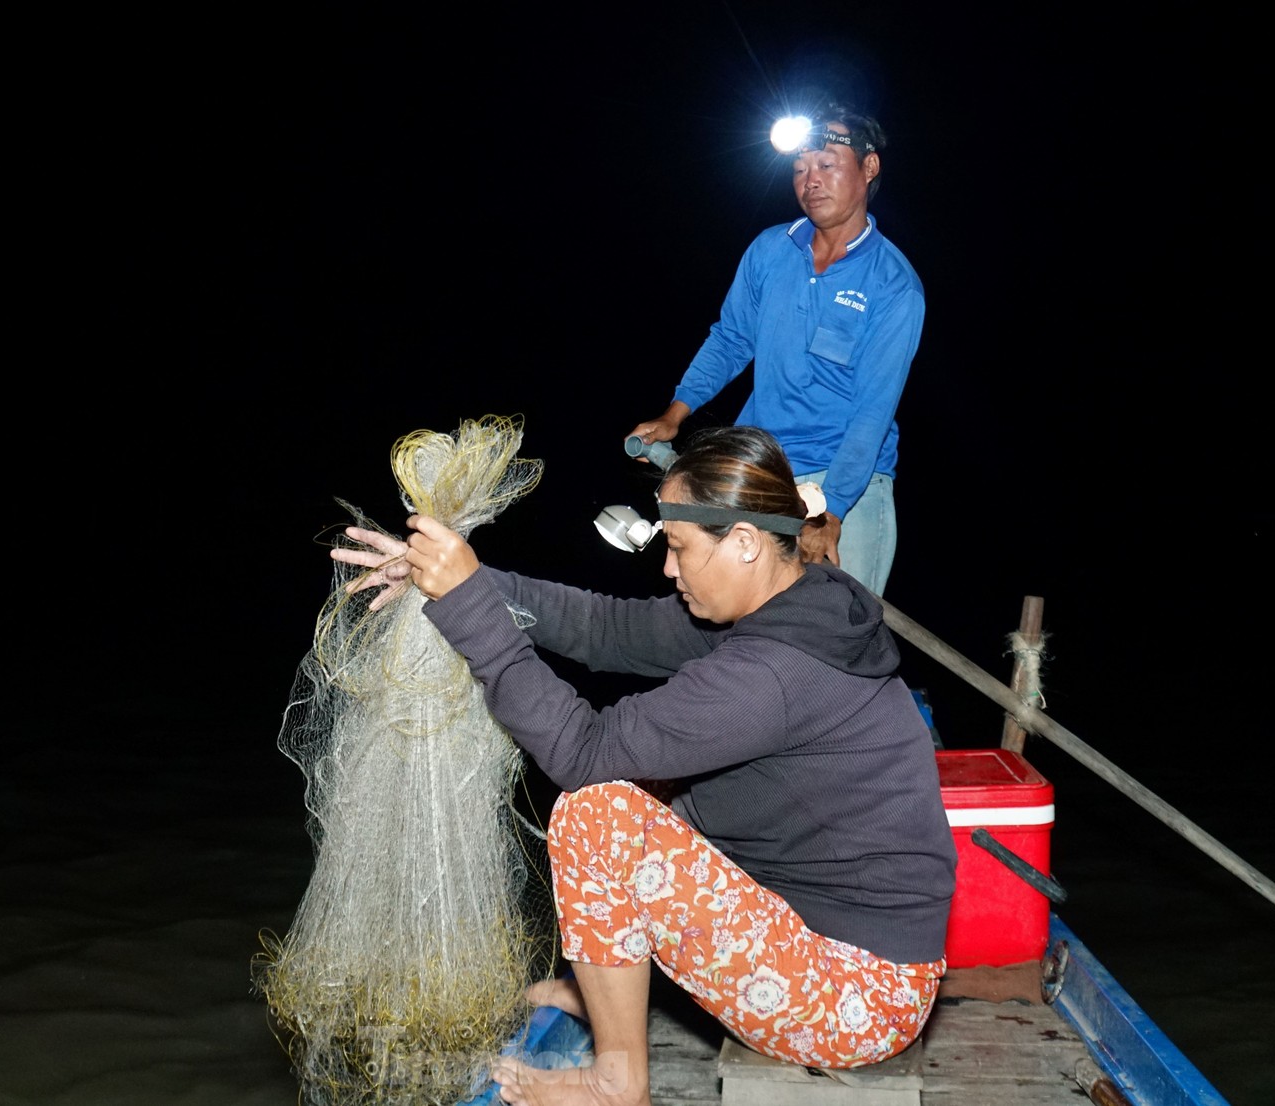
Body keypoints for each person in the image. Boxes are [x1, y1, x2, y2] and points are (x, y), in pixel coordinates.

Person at [332, 425, 956, 1105]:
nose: (667, 568)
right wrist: (465, 581)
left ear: (744, 542)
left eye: (681, 549)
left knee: (597, 813)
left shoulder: (772, 671)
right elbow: (605, 630)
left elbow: (584, 753)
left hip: (857, 1000)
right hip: (826, 934)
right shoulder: (798, 603)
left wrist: (467, 609)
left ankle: (616, 1080)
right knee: (651, 781)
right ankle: (601, 983)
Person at [629, 101, 922, 597]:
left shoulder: (895, 285)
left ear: (868, 167)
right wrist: (675, 414)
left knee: (837, 639)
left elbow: (873, 412)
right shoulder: (769, 249)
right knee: (741, 628)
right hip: (761, 470)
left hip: (848, 480)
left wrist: (831, 511)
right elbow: (730, 339)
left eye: (827, 165)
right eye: (800, 169)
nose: (810, 180)